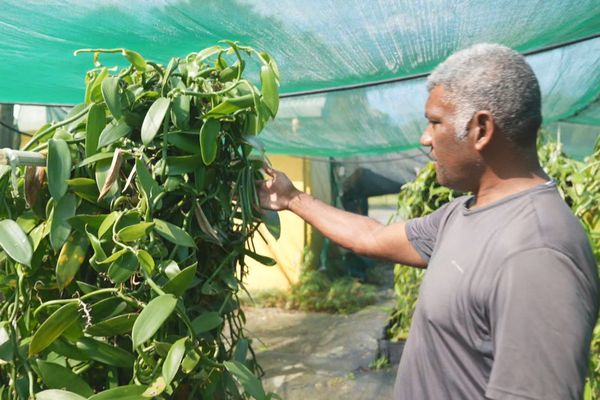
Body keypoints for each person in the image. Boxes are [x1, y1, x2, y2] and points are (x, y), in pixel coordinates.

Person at [258, 43, 599, 400]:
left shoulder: (536, 253)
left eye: (435, 122)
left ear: (481, 129)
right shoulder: (463, 213)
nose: (425, 138)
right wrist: (292, 198)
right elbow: (371, 237)